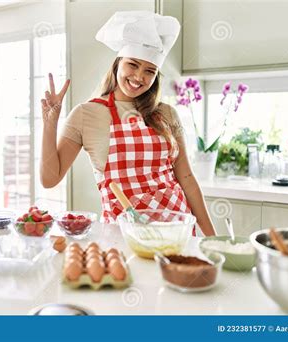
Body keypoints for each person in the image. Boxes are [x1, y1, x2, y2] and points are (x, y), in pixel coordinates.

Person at [40, 11, 216, 236]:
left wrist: (213, 239)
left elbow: (186, 178)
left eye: (149, 71)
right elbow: (49, 179)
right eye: (133, 65)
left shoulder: (166, 113)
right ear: (117, 64)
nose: (139, 77)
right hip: (122, 235)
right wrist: (50, 123)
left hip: (176, 231)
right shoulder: (86, 114)